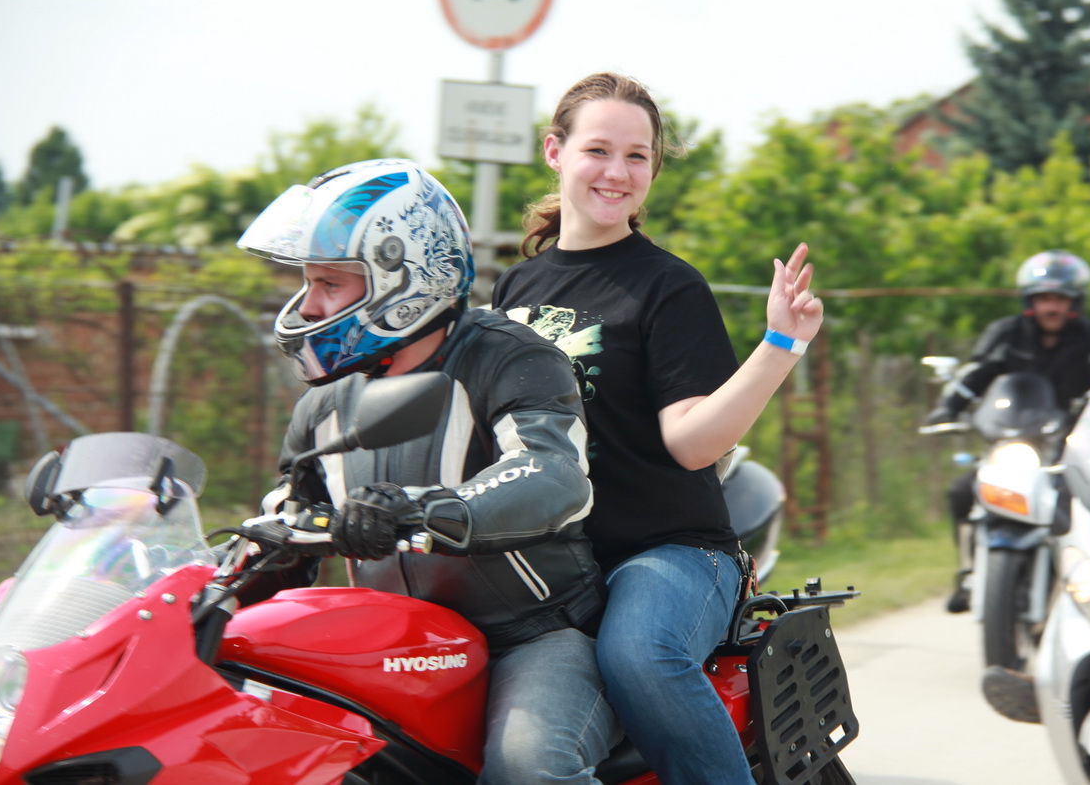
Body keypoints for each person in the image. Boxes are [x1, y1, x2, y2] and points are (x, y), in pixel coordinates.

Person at [236, 159, 622, 784]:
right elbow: (291, 515)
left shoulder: (510, 358)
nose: (308, 305)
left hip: (531, 635)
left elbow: (552, 473)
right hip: (398, 645)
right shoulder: (323, 404)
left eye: (330, 283)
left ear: (404, 277)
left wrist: (418, 509)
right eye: (307, 282)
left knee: (528, 767)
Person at [492, 72, 823, 785]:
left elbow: (693, 443)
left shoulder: (668, 285)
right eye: (598, 150)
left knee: (638, 655)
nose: (617, 172)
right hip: (545, 564)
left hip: (668, 550)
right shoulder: (515, 288)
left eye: (637, 156)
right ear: (555, 151)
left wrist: (780, 345)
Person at [921, 249, 1090, 612]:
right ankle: (967, 572)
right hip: (1012, 439)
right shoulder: (1006, 333)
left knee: (1086, 499)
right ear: (1030, 301)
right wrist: (948, 407)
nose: (1051, 307)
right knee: (962, 490)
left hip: (1068, 444)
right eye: (1044, 298)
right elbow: (976, 373)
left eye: (1060, 299)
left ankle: (1089, 580)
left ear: (1075, 302)